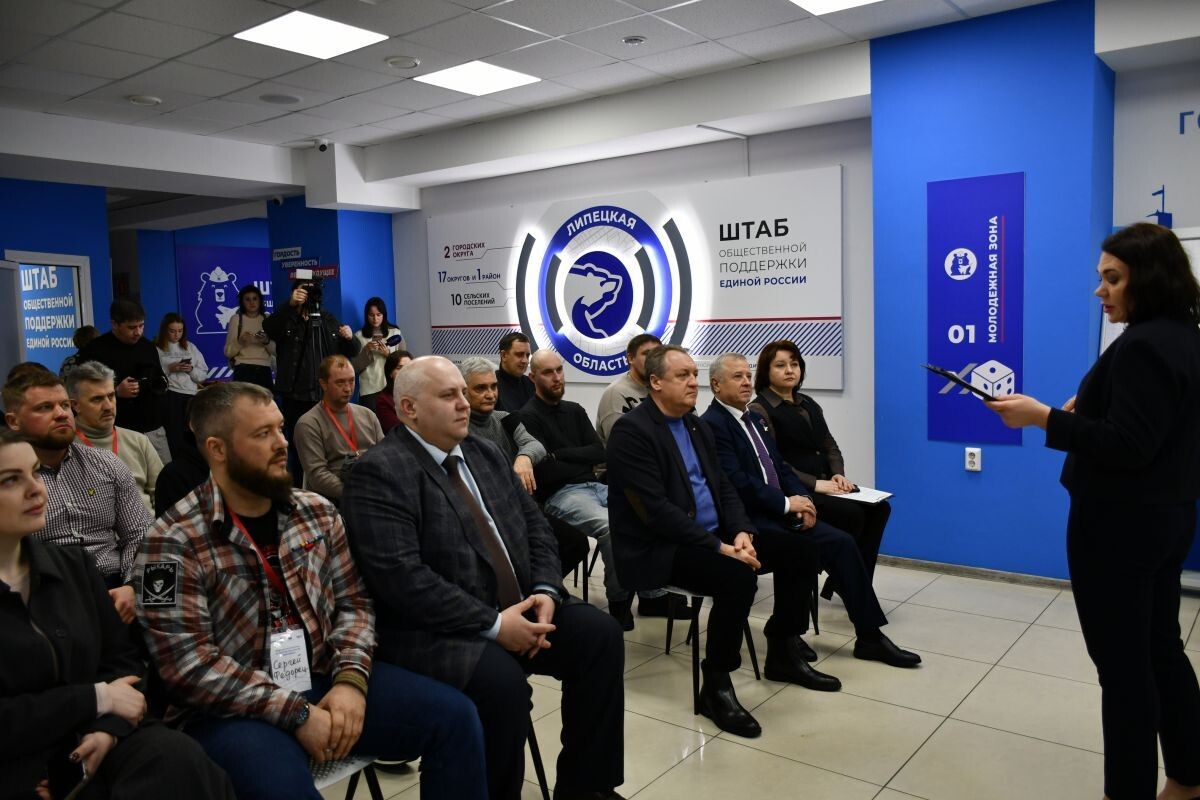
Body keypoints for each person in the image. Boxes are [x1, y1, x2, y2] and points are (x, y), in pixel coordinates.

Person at [135, 382, 488, 800]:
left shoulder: (316, 512)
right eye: (262, 434)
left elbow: (355, 604)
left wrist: (351, 681)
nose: (282, 443)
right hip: (229, 709)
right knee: (283, 789)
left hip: (322, 675)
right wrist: (296, 713)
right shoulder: (172, 542)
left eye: (280, 428)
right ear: (217, 449)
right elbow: (189, 667)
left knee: (456, 718)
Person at [341, 357, 625, 800]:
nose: (464, 404)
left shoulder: (485, 452)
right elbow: (401, 579)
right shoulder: (379, 471)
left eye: (463, 392)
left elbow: (537, 528)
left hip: (521, 606)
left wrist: (546, 591)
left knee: (599, 636)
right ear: (410, 408)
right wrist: (494, 625)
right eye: (449, 395)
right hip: (439, 631)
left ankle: (587, 789)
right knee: (502, 688)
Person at [986, 223, 1200, 800]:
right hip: (1168, 516)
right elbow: (1156, 426)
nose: (1100, 290)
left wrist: (1043, 418)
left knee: (1123, 668)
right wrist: (1093, 407)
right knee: (1160, 648)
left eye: (1113, 279)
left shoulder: (1144, 345)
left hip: (1119, 527)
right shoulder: (1184, 336)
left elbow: (1129, 446)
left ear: (1147, 280)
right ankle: (1188, 776)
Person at [0, 427, 235, 800]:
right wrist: (95, 699)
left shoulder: (73, 565)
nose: (35, 489)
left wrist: (107, 730)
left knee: (179, 760)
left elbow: (122, 661)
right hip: (20, 757)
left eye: (34, 472)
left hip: (99, 734)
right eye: (10, 480)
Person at [701, 353, 919, 673]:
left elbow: (780, 467)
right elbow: (737, 481)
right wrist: (787, 504)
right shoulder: (712, 424)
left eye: (747, 375)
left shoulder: (752, 419)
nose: (746, 382)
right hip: (749, 519)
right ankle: (788, 638)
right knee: (803, 549)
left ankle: (869, 636)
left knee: (842, 542)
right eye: (737, 377)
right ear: (716, 385)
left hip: (780, 508)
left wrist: (804, 500)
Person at [517, 348, 683, 630]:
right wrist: (575, 460)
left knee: (652, 512)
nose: (557, 377)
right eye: (548, 372)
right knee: (612, 527)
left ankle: (651, 595)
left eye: (559, 370)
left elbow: (599, 451)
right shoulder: (527, 416)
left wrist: (559, 454)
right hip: (561, 494)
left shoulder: (574, 410)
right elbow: (546, 472)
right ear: (533, 377)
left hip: (595, 484)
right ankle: (619, 605)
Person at [3, 369, 150, 623]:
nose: (61, 414)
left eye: (64, 405)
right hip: (44, 592)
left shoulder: (107, 464)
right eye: (45, 407)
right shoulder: (10, 484)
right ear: (14, 421)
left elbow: (139, 533)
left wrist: (131, 585)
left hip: (114, 587)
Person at [754, 339, 890, 596]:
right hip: (797, 491)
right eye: (780, 365)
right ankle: (846, 578)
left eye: (794, 364)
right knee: (853, 515)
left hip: (828, 483)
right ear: (766, 371)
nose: (789, 370)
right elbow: (773, 462)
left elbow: (829, 445)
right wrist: (815, 484)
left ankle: (847, 580)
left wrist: (838, 474)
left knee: (880, 509)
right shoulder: (760, 409)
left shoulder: (808, 403)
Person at [460, 356, 587, 578]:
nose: (490, 394)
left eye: (493, 387)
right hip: (486, 513)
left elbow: (534, 444)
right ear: (463, 392)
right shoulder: (459, 427)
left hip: (518, 506)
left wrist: (524, 458)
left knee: (576, 543)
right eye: (480, 388)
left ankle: (541, 588)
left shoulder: (505, 418)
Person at [263, 280, 359, 485]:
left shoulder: (327, 320)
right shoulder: (287, 319)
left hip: (326, 397)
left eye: (311, 290)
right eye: (303, 290)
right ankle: (301, 491)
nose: (308, 294)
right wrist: (290, 305)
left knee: (330, 447)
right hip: (296, 396)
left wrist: (350, 338)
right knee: (299, 450)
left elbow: (352, 351)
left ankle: (328, 488)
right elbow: (269, 328)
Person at [78, 300, 171, 464]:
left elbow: (159, 378)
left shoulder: (148, 347)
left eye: (141, 326)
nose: (138, 332)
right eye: (131, 327)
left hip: (153, 428)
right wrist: (116, 392)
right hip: (116, 430)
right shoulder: (94, 350)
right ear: (114, 324)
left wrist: (159, 384)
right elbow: (83, 393)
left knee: (165, 476)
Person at [65, 360, 163, 515]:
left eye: (111, 396)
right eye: (97, 399)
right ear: (75, 405)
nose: (108, 406)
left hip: (147, 528)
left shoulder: (139, 441)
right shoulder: (63, 449)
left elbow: (163, 498)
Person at [293, 355, 384, 503]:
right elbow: (318, 476)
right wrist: (358, 494)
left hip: (374, 490)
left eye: (351, 381)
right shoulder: (309, 423)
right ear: (323, 384)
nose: (348, 389)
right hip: (336, 501)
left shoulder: (368, 415)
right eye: (340, 382)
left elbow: (384, 456)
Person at [155, 313, 209, 461]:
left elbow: (202, 375)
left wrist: (190, 369)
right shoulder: (157, 349)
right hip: (170, 395)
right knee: (174, 435)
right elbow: (153, 377)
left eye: (180, 331)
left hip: (190, 396)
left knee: (193, 433)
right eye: (172, 331)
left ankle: (193, 463)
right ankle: (176, 464)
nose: (176, 335)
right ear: (165, 330)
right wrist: (169, 369)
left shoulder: (190, 347)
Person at [596, 333, 661, 444]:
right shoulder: (616, 392)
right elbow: (620, 443)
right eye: (647, 354)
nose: (653, 360)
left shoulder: (662, 390)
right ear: (631, 358)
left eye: (658, 355)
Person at [351, 296, 405, 413]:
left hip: (392, 387)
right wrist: (366, 350)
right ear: (366, 316)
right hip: (369, 391)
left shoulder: (395, 333)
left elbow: (405, 364)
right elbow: (354, 368)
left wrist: (388, 355)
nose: (375, 319)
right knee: (371, 422)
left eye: (378, 315)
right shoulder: (359, 336)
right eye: (371, 315)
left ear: (384, 315)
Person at [222, 284, 274, 390]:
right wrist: (240, 342)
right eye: (247, 299)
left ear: (260, 301)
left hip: (264, 370)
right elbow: (228, 352)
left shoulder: (268, 319)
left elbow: (277, 351)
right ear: (242, 302)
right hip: (243, 369)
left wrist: (266, 341)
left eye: (255, 298)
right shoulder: (236, 319)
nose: (252, 302)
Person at [494, 331, 535, 412]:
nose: (525, 360)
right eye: (519, 355)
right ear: (504, 355)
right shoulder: (491, 386)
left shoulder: (532, 384)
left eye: (527, 355)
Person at [375, 349, 412, 435]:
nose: (405, 371)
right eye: (399, 368)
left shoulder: (421, 393)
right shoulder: (383, 400)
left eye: (409, 367)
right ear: (390, 373)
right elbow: (397, 432)